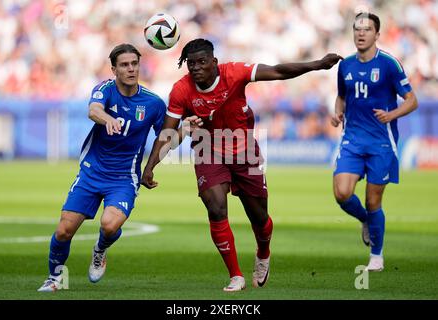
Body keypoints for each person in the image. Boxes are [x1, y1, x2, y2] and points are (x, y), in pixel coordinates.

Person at [141, 38, 342, 291]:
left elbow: (278, 71)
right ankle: (235, 275)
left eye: (202, 62)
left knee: (259, 217)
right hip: (207, 149)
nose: (196, 68)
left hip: (244, 149)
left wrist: (317, 64)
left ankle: (264, 252)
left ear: (214, 62)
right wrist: (150, 167)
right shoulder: (181, 90)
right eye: (191, 64)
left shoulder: (234, 72)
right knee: (215, 208)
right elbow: (167, 132)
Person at [37, 43, 167, 291]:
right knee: (64, 230)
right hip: (92, 171)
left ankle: (100, 249)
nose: (130, 69)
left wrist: (153, 165)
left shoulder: (153, 103)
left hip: (124, 177)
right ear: (114, 69)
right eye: (124, 65)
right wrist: (108, 118)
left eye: (134, 64)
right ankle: (55, 279)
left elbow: (166, 137)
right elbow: (93, 110)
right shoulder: (105, 89)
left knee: (109, 225)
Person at [331, 13, 418, 272]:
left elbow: (412, 100)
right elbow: (341, 97)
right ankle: (366, 221)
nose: (361, 33)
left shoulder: (390, 64)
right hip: (352, 140)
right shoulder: (345, 65)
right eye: (357, 29)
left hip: (381, 141)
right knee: (342, 193)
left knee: (373, 200)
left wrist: (391, 115)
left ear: (377, 35)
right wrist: (338, 113)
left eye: (367, 29)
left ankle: (376, 257)